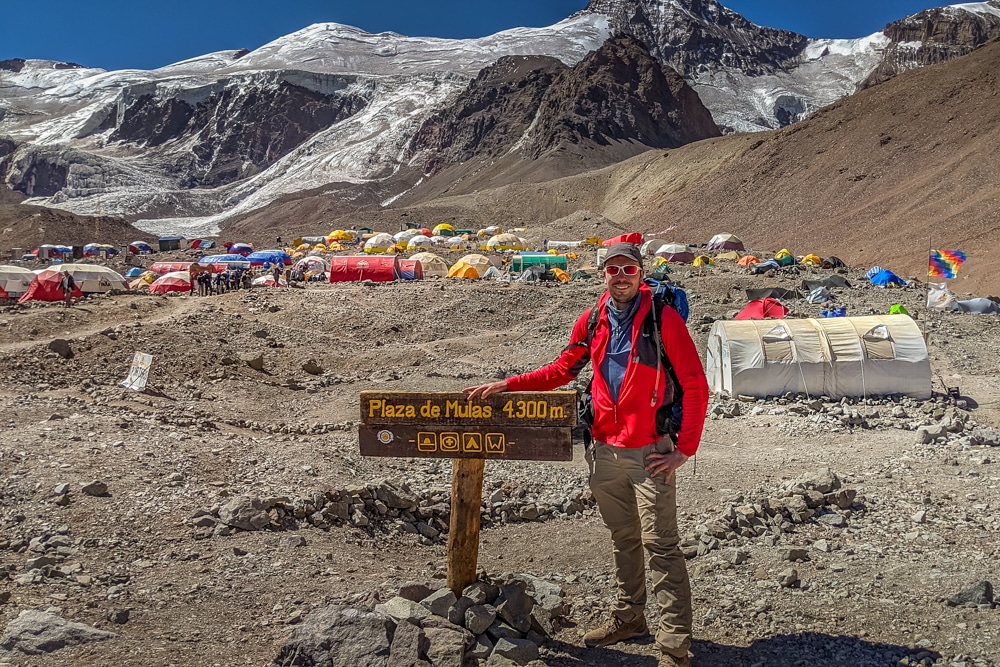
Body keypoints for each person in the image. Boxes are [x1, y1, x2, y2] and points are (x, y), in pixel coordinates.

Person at [464, 243, 708, 667]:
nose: (620, 275)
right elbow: (562, 370)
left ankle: (674, 651)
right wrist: (510, 384)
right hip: (603, 451)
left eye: (628, 268)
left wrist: (683, 450)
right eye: (612, 269)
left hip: (651, 452)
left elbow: (694, 383)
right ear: (603, 275)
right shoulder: (594, 319)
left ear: (640, 272)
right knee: (624, 539)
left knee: (661, 547)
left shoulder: (662, 318)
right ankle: (629, 618)